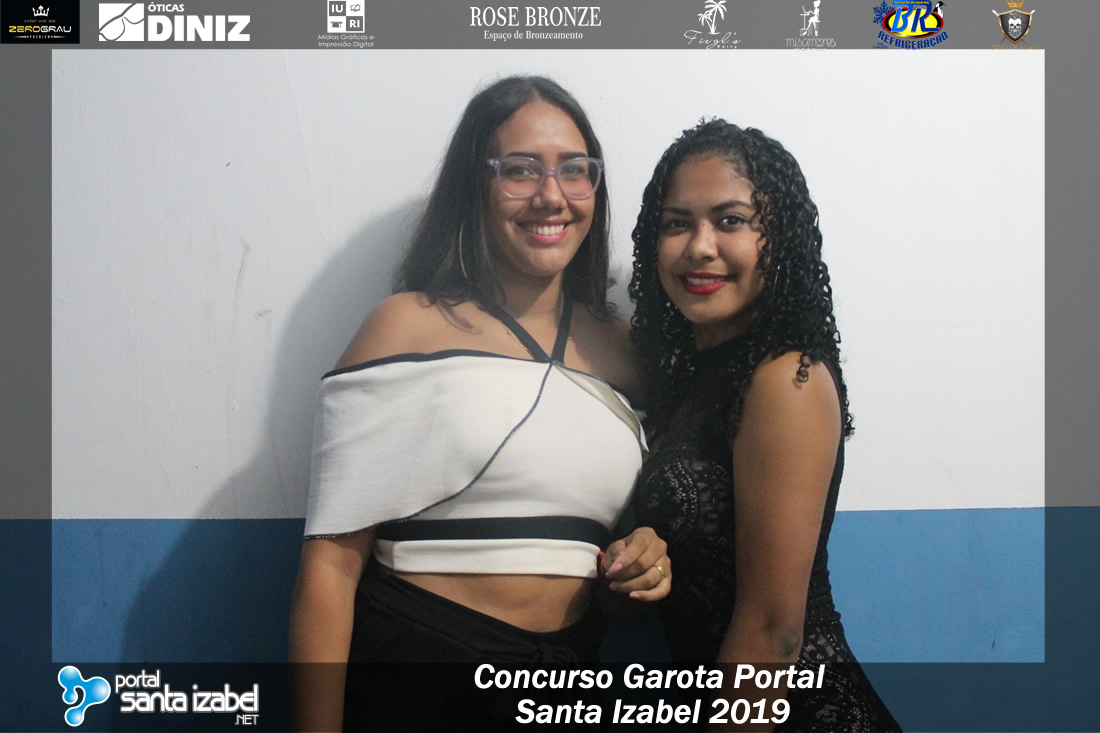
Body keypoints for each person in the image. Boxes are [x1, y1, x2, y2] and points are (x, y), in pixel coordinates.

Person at [289, 75, 669, 732]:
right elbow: (331, 566)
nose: (551, 194)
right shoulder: (403, 326)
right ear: (475, 186)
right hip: (418, 683)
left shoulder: (626, 351)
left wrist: (643, 561)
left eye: (574, 169)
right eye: (520, 169)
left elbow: (607, 570)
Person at [629, 119, 900, 732]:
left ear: (779, 238)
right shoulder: (694, 379)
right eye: (677, 223)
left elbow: (774, 635)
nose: (700, 247)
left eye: (730, 220)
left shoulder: (785, 379)